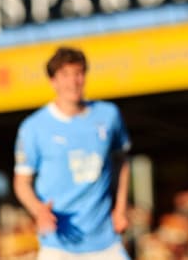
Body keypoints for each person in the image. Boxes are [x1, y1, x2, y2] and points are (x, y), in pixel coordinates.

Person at [13, 46, 132, 260]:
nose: (73, 81)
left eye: (78, 73)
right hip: (58, 245)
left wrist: (120, 209)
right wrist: (39, 211)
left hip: (105, 242)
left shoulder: (109, 115)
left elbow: (121, 162)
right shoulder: (33, 127)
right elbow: (21, 182)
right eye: (65, 75)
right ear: (53, 81)